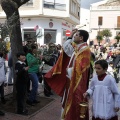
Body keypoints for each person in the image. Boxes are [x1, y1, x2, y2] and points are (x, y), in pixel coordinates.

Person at [45, 29, 91, 120]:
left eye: (76, 35)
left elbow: (81, 71)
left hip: (76, 83)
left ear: (81, 38)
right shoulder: (77, 47)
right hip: (70, 81)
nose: (74, 36)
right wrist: (70, 36)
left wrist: (69, 71)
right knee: (67, 103)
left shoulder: (84, 50)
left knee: (75, 103)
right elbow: (66, 48)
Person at [0, 51, 7, 116]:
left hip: (1, 81)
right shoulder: (1, 61)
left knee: (1, 91)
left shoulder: (2, 60)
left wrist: (5, 80)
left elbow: (3, 71)